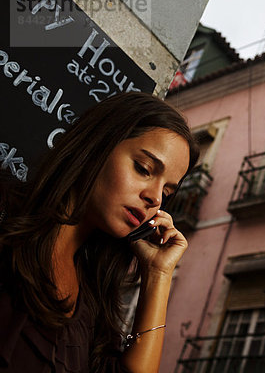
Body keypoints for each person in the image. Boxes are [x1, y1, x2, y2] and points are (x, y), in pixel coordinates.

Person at [0, 92, 200, 373]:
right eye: (144, 169)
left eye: (166, 193)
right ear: (99, 145)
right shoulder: (5, 217)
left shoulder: (93, 306)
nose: (155, 198)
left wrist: (158, 274)